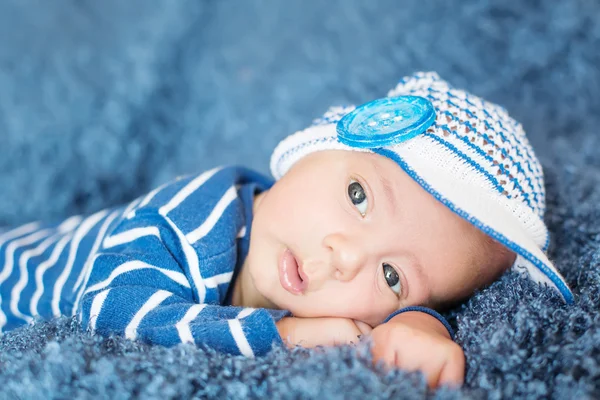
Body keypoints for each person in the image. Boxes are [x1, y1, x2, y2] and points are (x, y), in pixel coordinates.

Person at [0, 72, 573, 389]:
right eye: (358, 197)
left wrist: (421, 325)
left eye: (392, 274)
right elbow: (110, 311)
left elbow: (404, 313)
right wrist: (287, 336)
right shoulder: (188, 218)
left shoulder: (332, 270)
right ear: (313, 148)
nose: (346, 256)